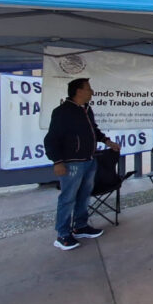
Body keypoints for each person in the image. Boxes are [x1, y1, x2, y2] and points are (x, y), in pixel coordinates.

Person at [44, 78, 121, 251]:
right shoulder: (62, 112)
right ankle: (62, 235)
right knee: (68, 198)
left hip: (89, 160)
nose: (91, 92)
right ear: (78, 91)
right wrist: (57, 161)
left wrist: (108, 142)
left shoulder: (86, 109)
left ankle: (80, 226)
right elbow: (51, 139)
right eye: (88, 89)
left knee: (84, 196)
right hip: (72, 164)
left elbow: (94, 130)